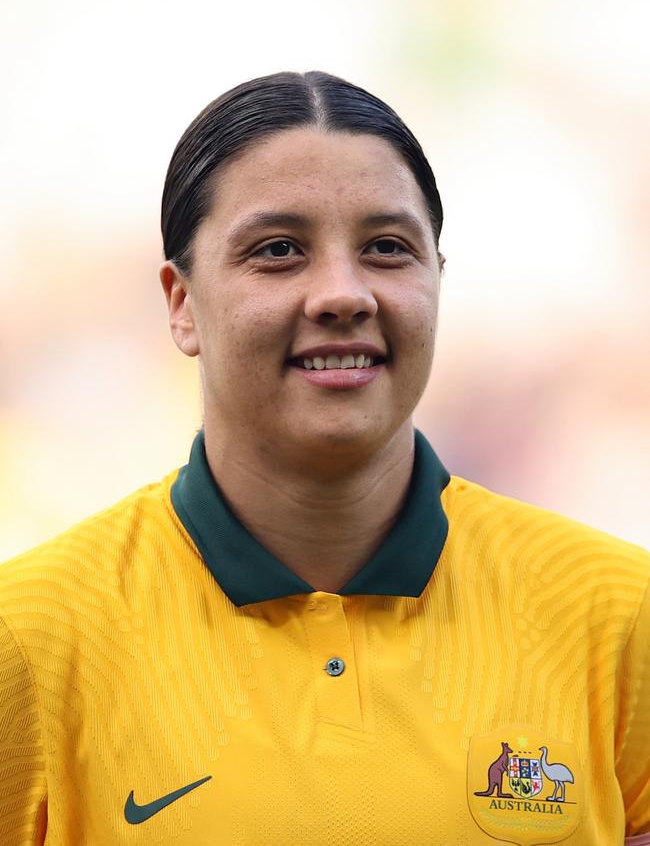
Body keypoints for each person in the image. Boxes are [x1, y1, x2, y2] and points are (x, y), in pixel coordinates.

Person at [0, 71, 648, 846]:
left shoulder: (618, 615)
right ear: (181, 302)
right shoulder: (29, 636)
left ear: (436, 281)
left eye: (386, 248)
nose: (343, 293)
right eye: (278, 250)